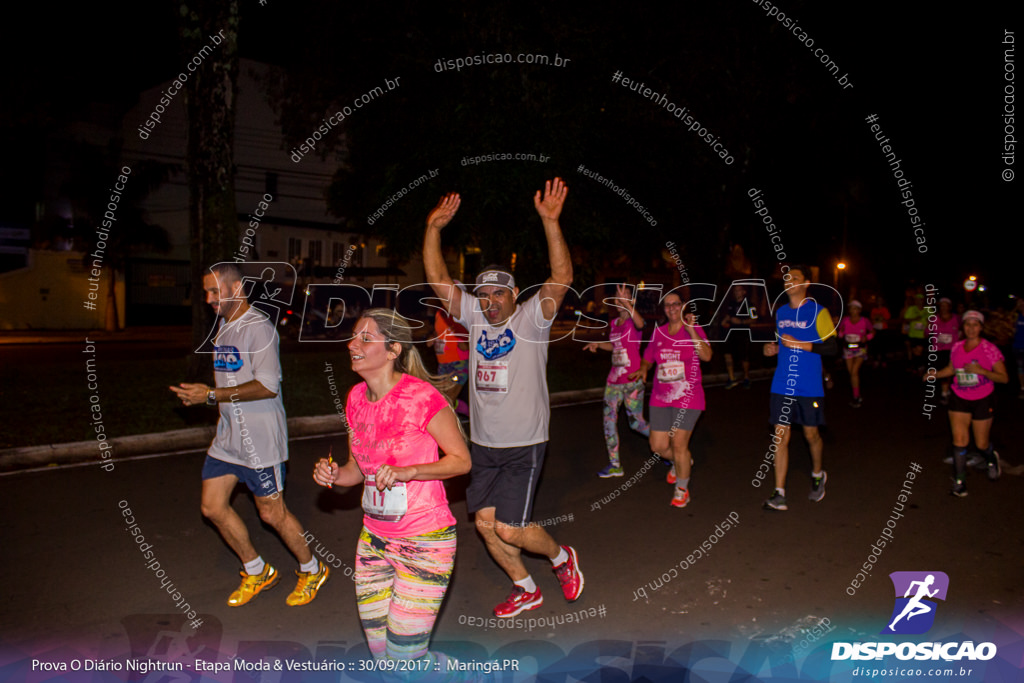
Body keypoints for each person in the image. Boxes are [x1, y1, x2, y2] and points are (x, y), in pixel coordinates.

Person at [421, 178, 584, 619]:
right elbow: (437, 278)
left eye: (498, 293)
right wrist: (433, 230)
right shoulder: (473, 317)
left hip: (524, 443)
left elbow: (562, 277)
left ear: (514, 295)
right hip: (484, 444)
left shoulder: (532, 318)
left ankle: (561, 559)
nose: (489, 300)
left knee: (510, 530)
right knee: (486, 526)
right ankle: (525, 587)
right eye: (483, 292)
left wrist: (550, 222)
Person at [312, 309, 471, 666]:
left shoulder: (421, 397)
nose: (353, 344)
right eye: (354, 337)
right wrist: (333, 474)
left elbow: (461, 461)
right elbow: (357, 470)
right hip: (373, 542)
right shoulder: (355, 399)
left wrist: (409, 470)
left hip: (425, 541)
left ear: (393, 349)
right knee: (383, 656)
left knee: (404, 658)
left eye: (366, 338)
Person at [170, 263, 328, 606]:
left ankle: (312, 569)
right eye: (206, 293)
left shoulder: (259, 329)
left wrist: (209, 395)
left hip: (261, 441)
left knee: (273, 514)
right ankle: (257, 571)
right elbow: (231, 383)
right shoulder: (224, 327)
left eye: (215, 292)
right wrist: (209, 399)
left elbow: (267, 386)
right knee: (212, 507)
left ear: (236, 289)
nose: (210, 300)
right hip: (228, 440)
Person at [762, 265, 837, 511]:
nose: (789, 281)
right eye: (786, 278)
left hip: (809, 386)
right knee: (780, 437)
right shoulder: (781, 312)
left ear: (806, 284)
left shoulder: (819, 312)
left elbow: (832, 348)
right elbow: (781, 342)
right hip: (783, 383)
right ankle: (779, 492)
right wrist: (772, 349)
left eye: (795, 278)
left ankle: (818, 473)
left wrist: (803, 345)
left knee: (811, 435)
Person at [630, 291, 712, 507]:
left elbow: (707, 356)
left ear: (683, 306)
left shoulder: (692, 330)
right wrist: (644, 369)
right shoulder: (659, 332)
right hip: (660, 397)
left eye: (676, 304)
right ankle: (681, 460)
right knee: (657, 446)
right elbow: (648, 358)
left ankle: (682, 489)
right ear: (664, 309)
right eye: (667, 305)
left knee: (678, 444)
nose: (672, 308)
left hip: (688, 397)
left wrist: (692, 331)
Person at [928, 311, 1008, 496]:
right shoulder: (957, 346)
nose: (971, 328)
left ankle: (990, 459)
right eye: (968, 325)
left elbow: (1004, 378)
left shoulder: (989, 349)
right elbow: (951, 369)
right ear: (963, 327)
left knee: (981, 444)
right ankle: (959, 481)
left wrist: (982, 371)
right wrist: (935, 374)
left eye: (975, 325)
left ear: (981, 327)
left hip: (983, 398)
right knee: (959, 441)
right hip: (959, 397)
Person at [583, 283, 650, 478]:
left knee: (636, 423)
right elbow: (615, 347)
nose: (621, 300)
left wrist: (627, 305)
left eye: (626, 296)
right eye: (618, 298)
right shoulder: (614, 324)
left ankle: (663, 444)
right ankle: (615, 465)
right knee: (608, 422)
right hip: (613, 381)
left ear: (632, 301)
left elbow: (642, 325)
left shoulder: (634, 323)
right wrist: (598, 344)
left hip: (631, 380)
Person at [432, 307, 470, 416]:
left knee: (448, 398)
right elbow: (438, 331)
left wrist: (465, 342)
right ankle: (461, 407)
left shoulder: (458, 312)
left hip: (458, 362)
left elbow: (468, 330)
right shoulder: (439, 313)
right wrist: (432, 338)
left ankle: (449, 427)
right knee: (441, 397)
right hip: (443, 362)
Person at [837, 300, 874, 407]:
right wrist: (842, 332)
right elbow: (840, 335)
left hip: (860, 349)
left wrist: (866, 338)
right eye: (851, 308)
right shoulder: (845, 320)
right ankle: (856, 394)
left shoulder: (864, 321)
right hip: (848, 349)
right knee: (852, 374)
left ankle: (857, 397)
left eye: (854, 308)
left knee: (854, 372)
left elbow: (872, 332)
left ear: (859, 310)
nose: (852, 310)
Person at [720, 284, 755, 389]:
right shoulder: (731, 303)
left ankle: (746, 378)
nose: (736, 292)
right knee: (727, 353)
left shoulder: (749, 304)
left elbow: (754, 318)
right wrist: (724, 321)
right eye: (735, 291)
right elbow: (729, 315)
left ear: (744, 292)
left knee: (744, 356)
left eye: (739, 290)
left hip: (743, 333)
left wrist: (741, 321)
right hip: (732, 332)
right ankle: (732, 378)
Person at [933, 298, 960, 405]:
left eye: (946, 305)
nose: (943, 308)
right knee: (943, 370)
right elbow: (927, 332)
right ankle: (945, 393)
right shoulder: (935, 318)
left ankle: (949, 391)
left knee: (952, 371)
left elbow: (962, 331)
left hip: (953, 349)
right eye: (941, 305)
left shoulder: (957, 318)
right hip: (939, 349)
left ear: (949, 307)